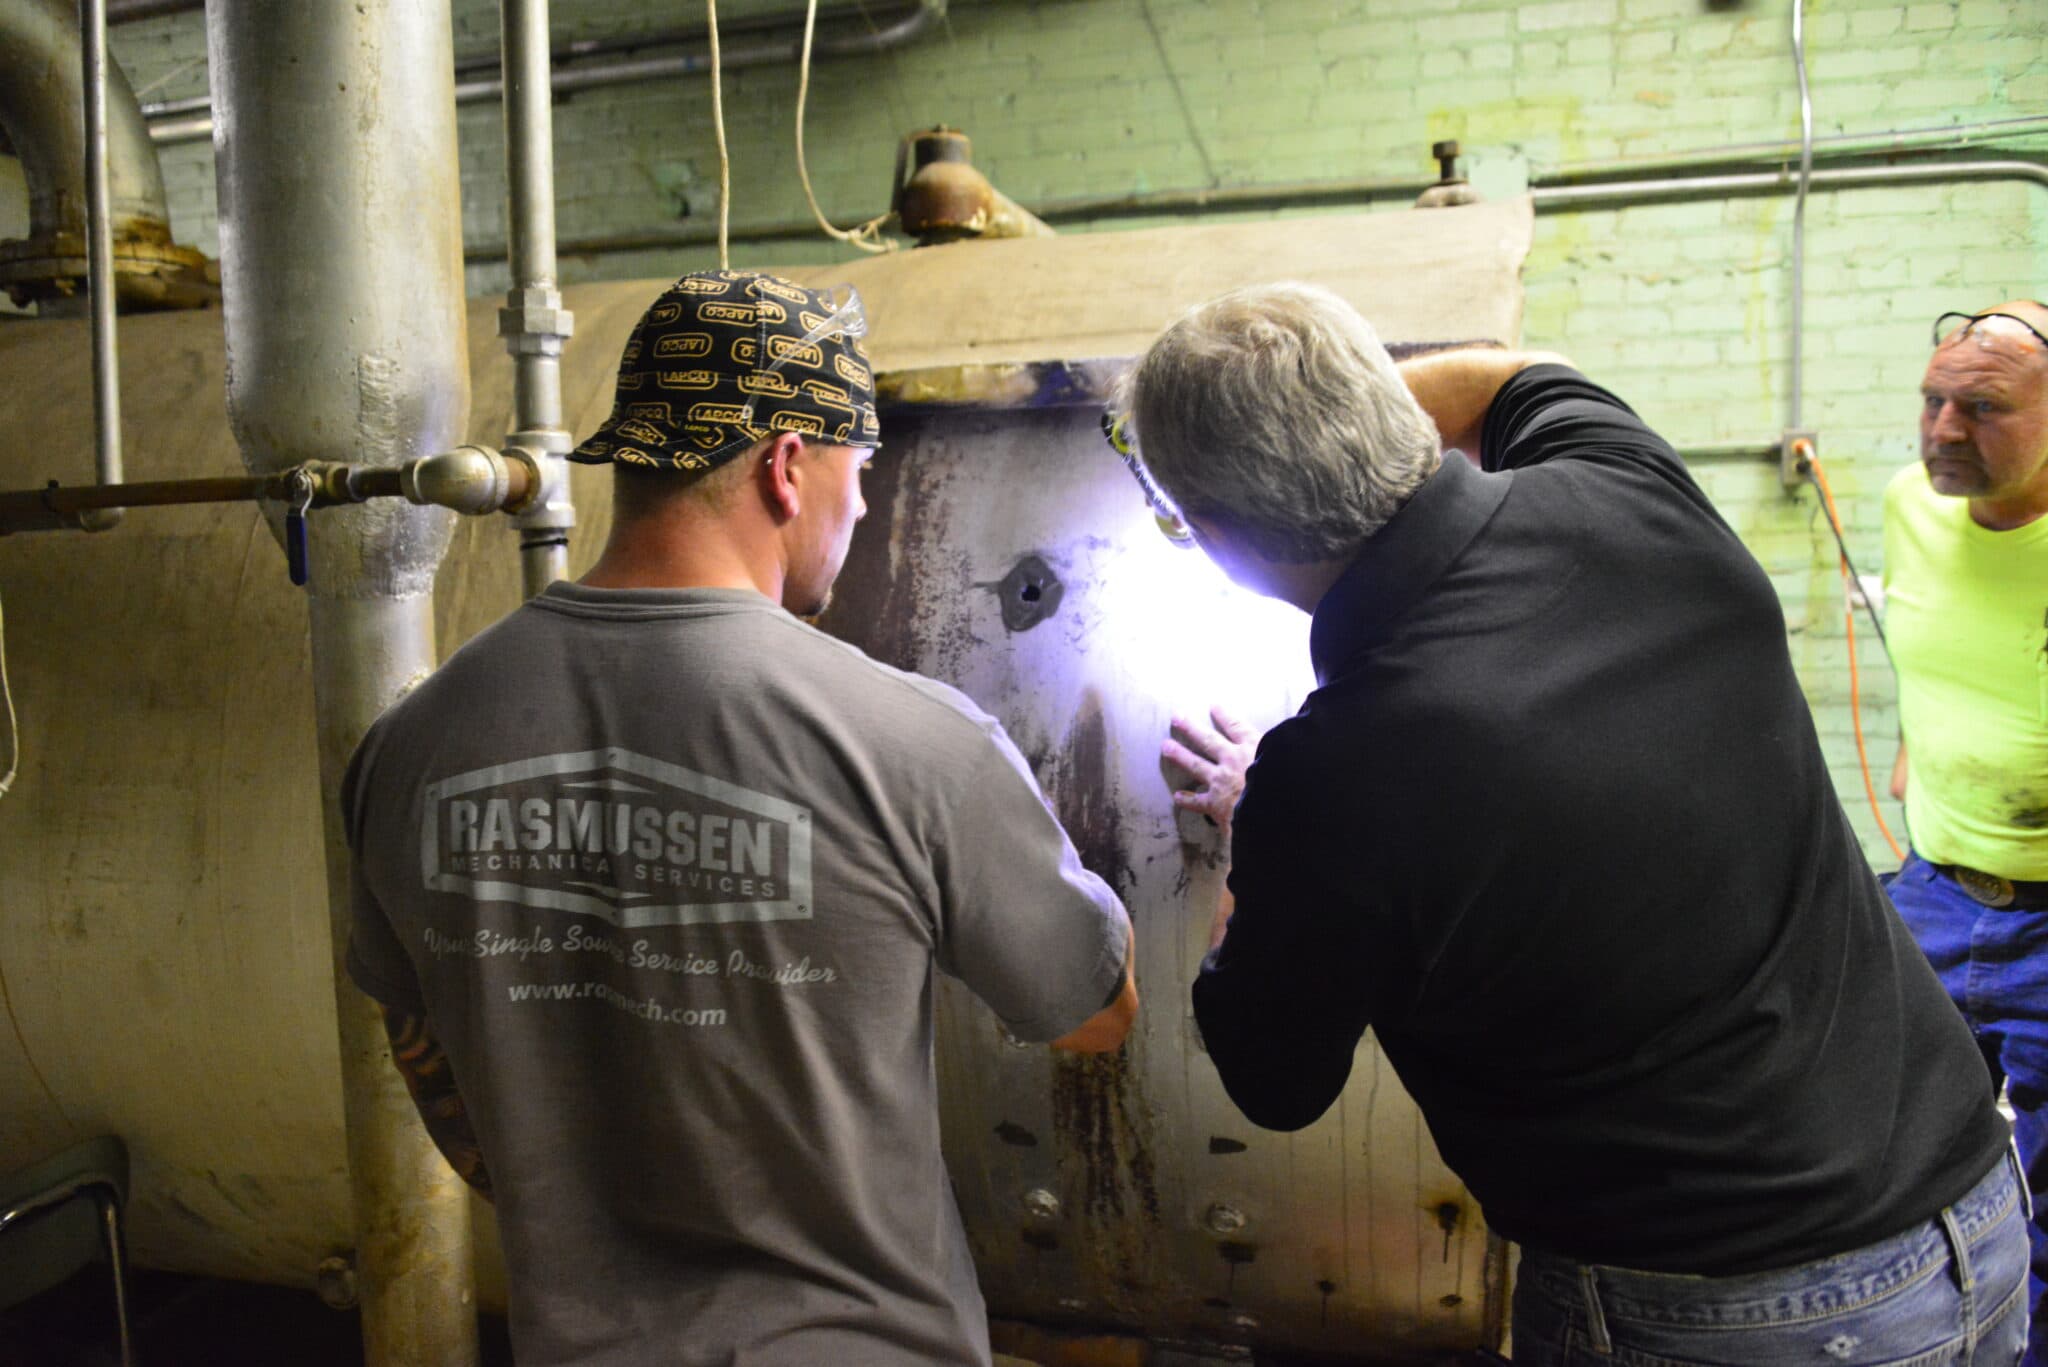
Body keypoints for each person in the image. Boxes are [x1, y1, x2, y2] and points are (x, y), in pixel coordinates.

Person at [1124, 282, 2025, 1365]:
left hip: (1724, 1313)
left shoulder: (1327, 778)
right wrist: (1330, 421)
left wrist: (1259, 848)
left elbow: (1273, 1082)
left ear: (1214, 537)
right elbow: (1510, 371)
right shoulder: (1628, 489)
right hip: (1974, 1215)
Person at [343, 269, 1136, 1367]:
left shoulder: (408, 744)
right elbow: (1092, 1011)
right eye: (857, 473)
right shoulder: (908, 739)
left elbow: (429, 1059)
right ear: (785, 465)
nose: (860, 508)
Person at [1883, 299, 2048, 1365]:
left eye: (1980, 407)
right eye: (1932, 400)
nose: (1941, 430)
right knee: (1891, 1166)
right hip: (1932, 893)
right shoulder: (1910, 505)